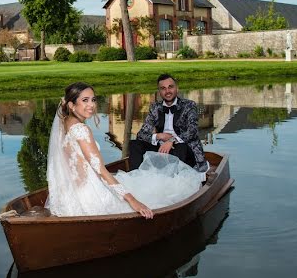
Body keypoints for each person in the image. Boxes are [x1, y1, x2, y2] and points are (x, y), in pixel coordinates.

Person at [45, 82, 204, 218]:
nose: (91, 105)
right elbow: (101, 170)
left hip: (72, 193)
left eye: (93, 100)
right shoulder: (81, 130)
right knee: (155, 196)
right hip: (90, 195)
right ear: (72, 105)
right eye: (85, 100)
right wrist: (133, 201)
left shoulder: (65, 123)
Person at [129, 74, 209, 173]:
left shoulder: (189, 105)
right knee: (134, 144)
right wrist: (159, 136)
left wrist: (172, 140)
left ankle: (175, 181)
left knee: (181, 147)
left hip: (183, 150)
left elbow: (192, 132)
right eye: (163, 88)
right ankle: (135, 177)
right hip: (162, 149)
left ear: (177, 88)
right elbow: (141, 135)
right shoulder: (155, 107)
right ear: (159, 92)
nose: (167, 91)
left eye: (170, 87)